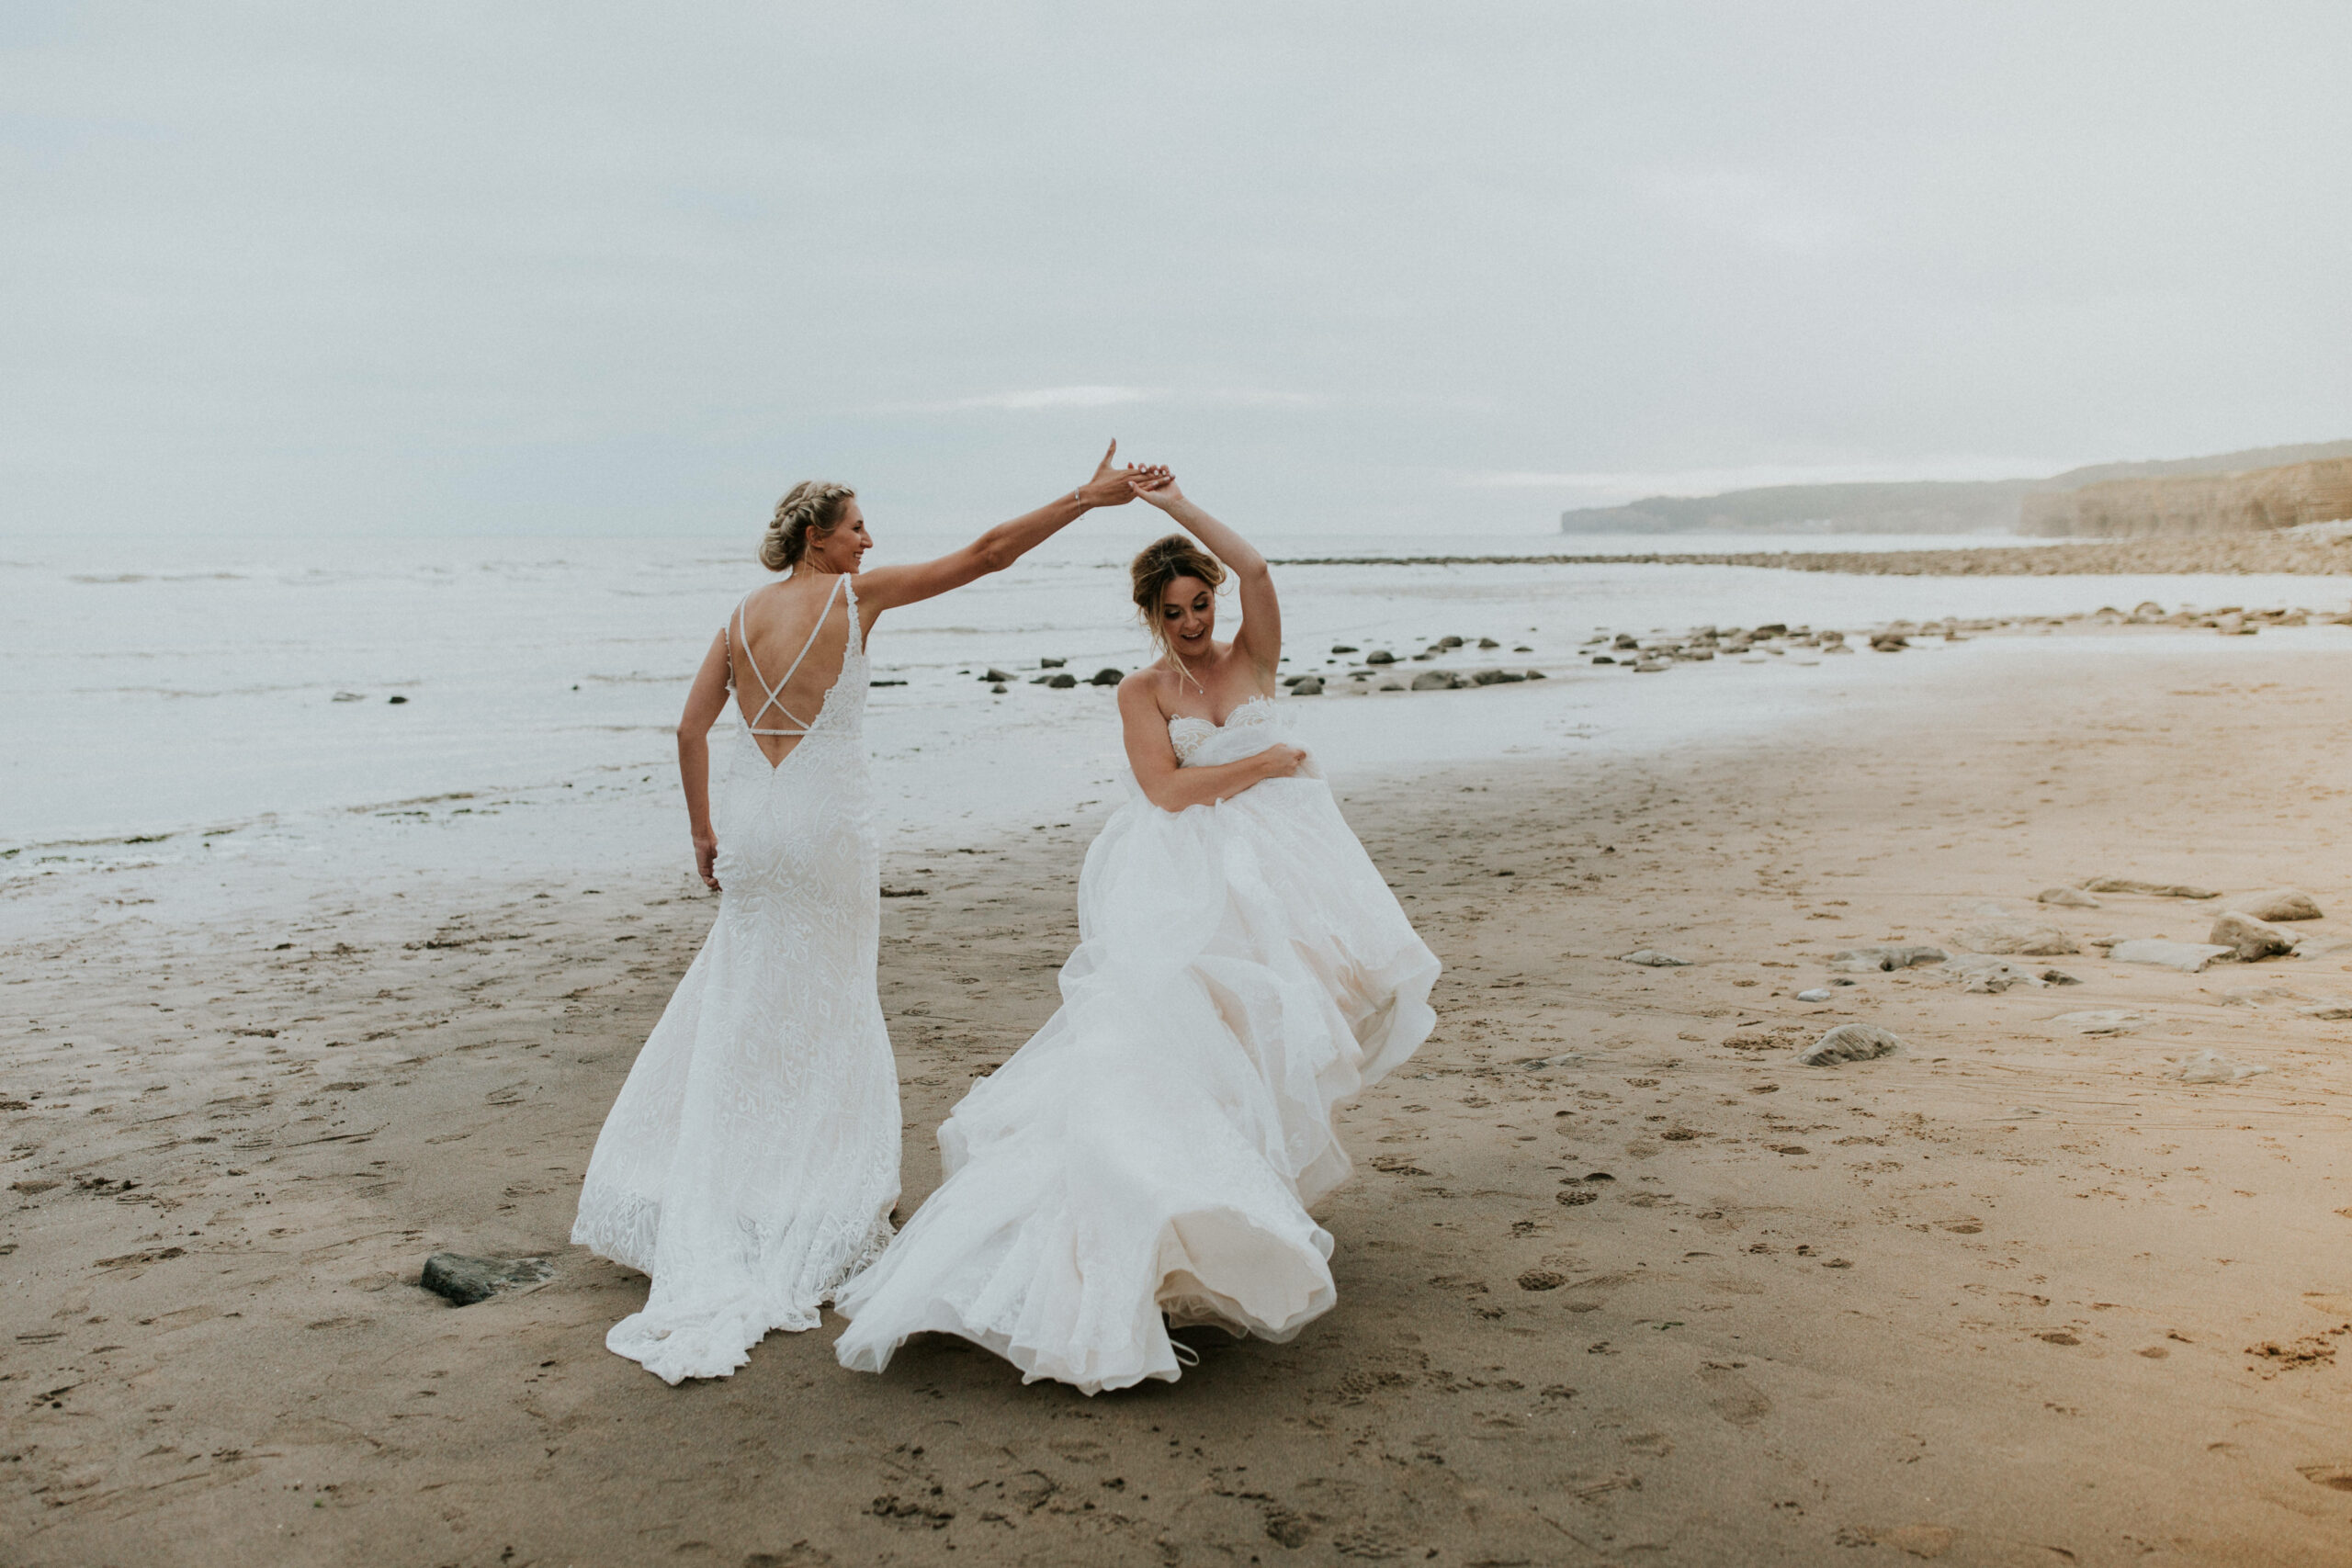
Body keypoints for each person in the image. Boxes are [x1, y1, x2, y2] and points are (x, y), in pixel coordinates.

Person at [833, 470, 1440, 1393]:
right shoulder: (1142, 691)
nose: (1193, 621)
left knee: (1273, 1036)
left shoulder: (1251, 656)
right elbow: (1164, 791)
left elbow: (1258, 565)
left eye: (1201, 603)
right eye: (1175, 609)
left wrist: (1170, 507)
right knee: (1177, 1041)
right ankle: (1153, 1222)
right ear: (1150, 614)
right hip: (1186, 880)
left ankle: (1239, 1203)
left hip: (1283, 874)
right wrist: (1269, 759)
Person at [572, 443, 1151, 1384]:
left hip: (756, 828)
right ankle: (814, 1198)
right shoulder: (856, 600)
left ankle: (728, 1187)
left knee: (743, 1002)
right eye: (855, 528)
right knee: (831, 1002)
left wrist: (703, 834)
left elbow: (687, 730)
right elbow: (990, 553)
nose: (868, 540)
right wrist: (1089, 498)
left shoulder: (736, 618)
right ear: (816, 537)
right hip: (828, 828)